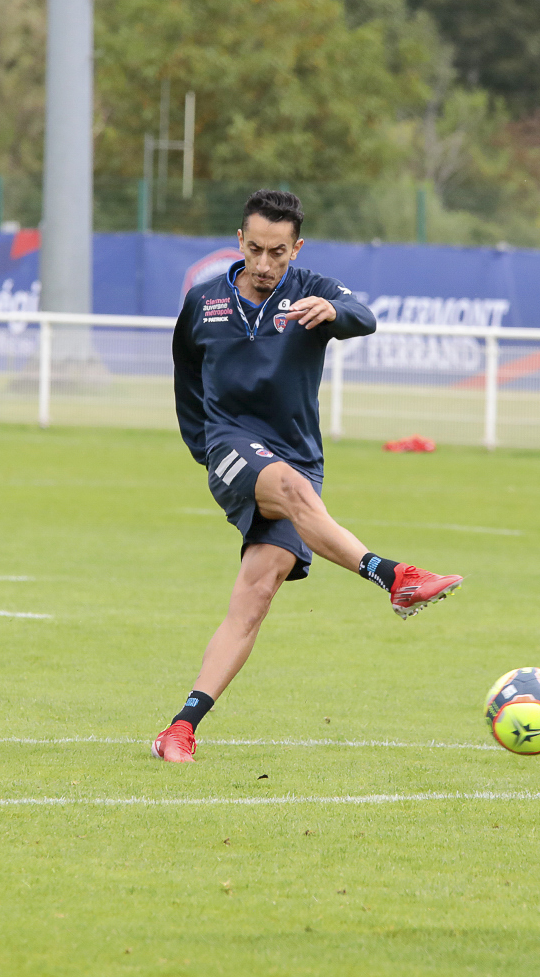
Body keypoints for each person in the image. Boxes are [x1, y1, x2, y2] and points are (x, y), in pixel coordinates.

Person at [154, 189, 464, 763]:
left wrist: (335, 313)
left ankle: (180, 727)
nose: (265, 264)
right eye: (255, 249)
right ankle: (393, 577)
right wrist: (205, 448)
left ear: (296, 248)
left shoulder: (313, 290)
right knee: (293, 492)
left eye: (278, 252)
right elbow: (185, 378)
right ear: (239, 241)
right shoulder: (203, 302)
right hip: (228, 445)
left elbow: (364, 317)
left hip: (297, 456)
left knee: (254, 597)